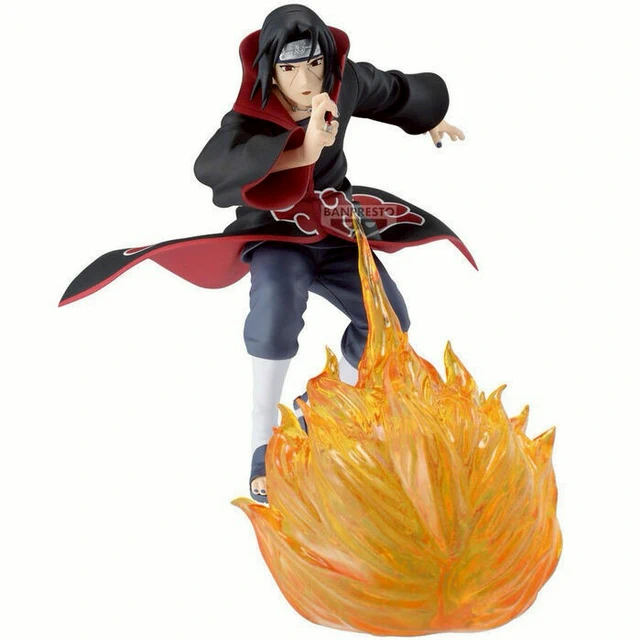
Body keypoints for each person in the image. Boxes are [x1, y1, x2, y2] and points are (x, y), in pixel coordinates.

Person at [59, 4, 475, 504]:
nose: (306, 81)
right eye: (290, 68)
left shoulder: (341, 84)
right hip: (276, 234)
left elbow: (391, 90)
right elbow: (213, 168)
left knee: (388, 319)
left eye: (315, 64)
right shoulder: (251, 113)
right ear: (270, 71)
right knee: (276, 311)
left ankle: (329, 403)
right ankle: (263, 443)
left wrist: (429, 117)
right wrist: (303, 152)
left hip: (336, 229)